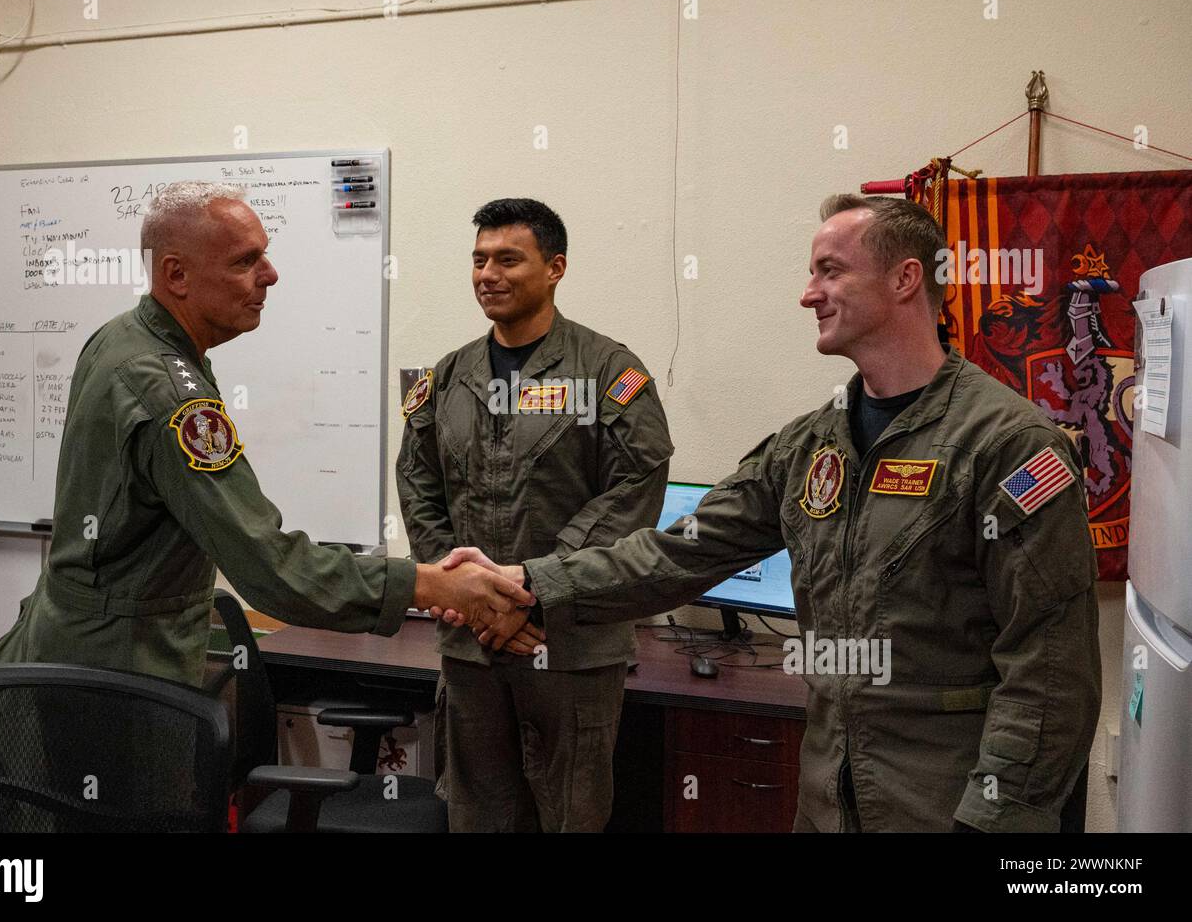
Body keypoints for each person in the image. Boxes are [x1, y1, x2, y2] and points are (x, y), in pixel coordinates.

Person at [444, 195, 1102, 833]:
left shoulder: (1006, 446)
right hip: (826, 798)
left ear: (906, 279)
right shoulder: (811, 445)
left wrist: (994, 820)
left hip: (942, 804)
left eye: (830, 270)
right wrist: (527, 585)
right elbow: (680, 554)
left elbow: (1049, 670)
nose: (807, 293)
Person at [0, 181, 529, 687]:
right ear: (176, 275)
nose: (270, 275)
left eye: (263, 255)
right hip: (113, 672)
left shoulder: (126, 339)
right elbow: (269, 566)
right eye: (245, 262)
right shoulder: (167, 390)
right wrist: (429, 583)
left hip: (80, 652)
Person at [397, 198, 673, 831]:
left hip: (570, 642)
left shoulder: (607, 370)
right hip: (471, 644)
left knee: (571, 814)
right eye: (479, 260)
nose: (488, 274)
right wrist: (472, 598)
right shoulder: (446, 378)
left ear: (555, 268)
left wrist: (533, 586)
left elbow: (636, 484)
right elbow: (417, 485)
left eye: (507, 259)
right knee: (477, 815)